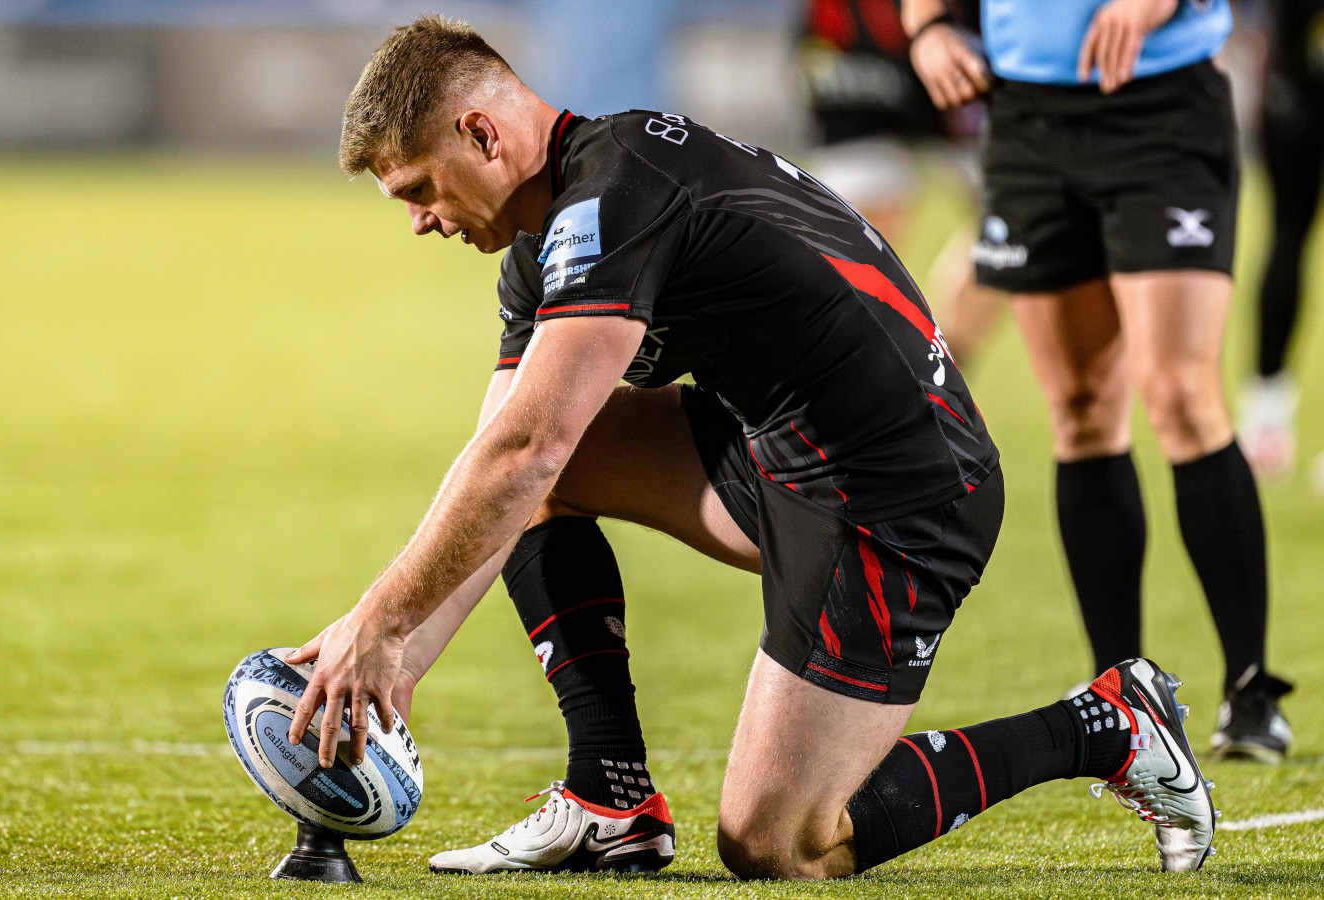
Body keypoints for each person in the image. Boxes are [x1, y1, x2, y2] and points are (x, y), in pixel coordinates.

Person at [286, 14, 1217, 879]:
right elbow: (501, 458)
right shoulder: (548, 231)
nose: (419, 219)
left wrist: (384, 621)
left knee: (782, 843)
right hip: (782, 453)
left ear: (482, 135)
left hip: (900, 496)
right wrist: (392, 660)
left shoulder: (617, 197)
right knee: (532, 469)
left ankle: (1107, 724)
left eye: (416, 188)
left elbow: (524, 450)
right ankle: (608, 798)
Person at [905, 0, 1292, 763]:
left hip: (1160, 105)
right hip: (1025, 118)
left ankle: (1250, 695)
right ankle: (1125, 700)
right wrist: (928, 28)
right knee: (1081, 412)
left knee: (1180, 396)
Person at [797, 0, 1005, 369]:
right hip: (863, 60)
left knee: (1011, 228)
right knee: (857, 245)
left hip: (957, 49)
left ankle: (937, 375)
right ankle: (846, 375)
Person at [1240, 0, 1324, 482]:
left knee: (1286, 238)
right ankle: (1267, 419)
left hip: (1290, 87)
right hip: (1292, 89)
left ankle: (1267, 422)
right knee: (1286, 241)